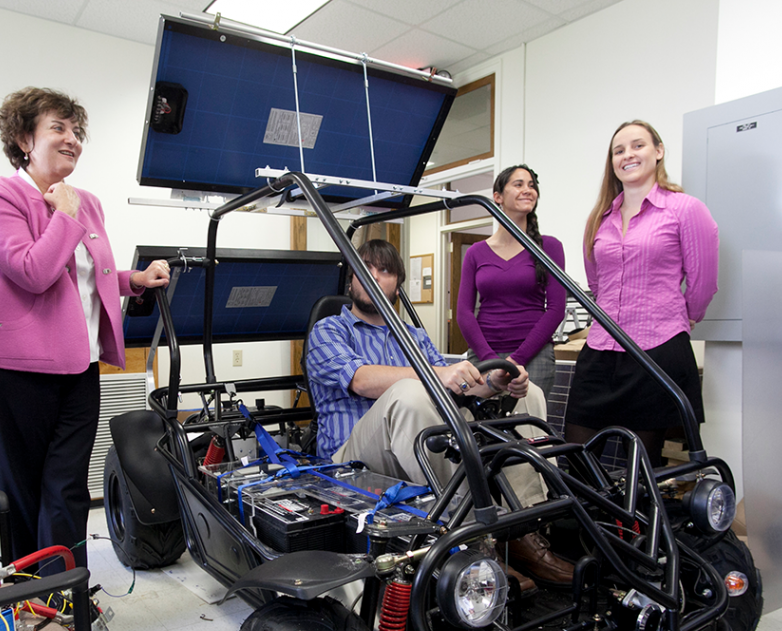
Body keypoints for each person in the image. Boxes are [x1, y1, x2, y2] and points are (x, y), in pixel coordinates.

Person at [0, 87, 169, 568]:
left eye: (76, 131)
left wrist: (133, 280)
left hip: (79, 368)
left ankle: (63, 595)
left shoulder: (87, 202)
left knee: (67, 489)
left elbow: (87, 275)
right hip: (15, 372)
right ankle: (25, 592)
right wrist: (64, 213)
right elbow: (34, 271)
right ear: (23, 138)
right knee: (23, 493)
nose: (72, 139)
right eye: (58, 128)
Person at [307, 239, 573, 587]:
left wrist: (496, 381)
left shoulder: (413, 336)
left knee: (528, 394)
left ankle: (521, 528)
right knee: (408, 393)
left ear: (397, 283)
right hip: (351, 461)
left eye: (384, 270)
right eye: (365, 269)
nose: (374, 277)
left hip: (412, 443)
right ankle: (473, 544)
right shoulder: (329, 330)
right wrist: (438, 373)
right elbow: (361, 380)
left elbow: (456, 386)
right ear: (351, 280)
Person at [564, 120, 718, 466]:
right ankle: (581, 521)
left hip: (657, 349)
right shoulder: (599, 219)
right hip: (601, 350)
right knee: (576, 463)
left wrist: (680, 318)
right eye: (619, 150)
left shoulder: (685, 209)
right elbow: (598, 283)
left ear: (658, 152)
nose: (628, 155)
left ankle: (633, 523)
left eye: (638, 145)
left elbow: (703, 282)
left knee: (641, 468)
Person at [456, 164, 566, 397]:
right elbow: (464, 313)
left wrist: (516, 360)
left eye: (532, 186)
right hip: (484, 354)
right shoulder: (475, 252)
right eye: (518, 184)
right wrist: (490, 360)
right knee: (478, 427)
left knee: (528, 430)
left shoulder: (549, 247)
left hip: (534, 357)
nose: (528, 190)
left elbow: (556, 309)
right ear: (498, 197)